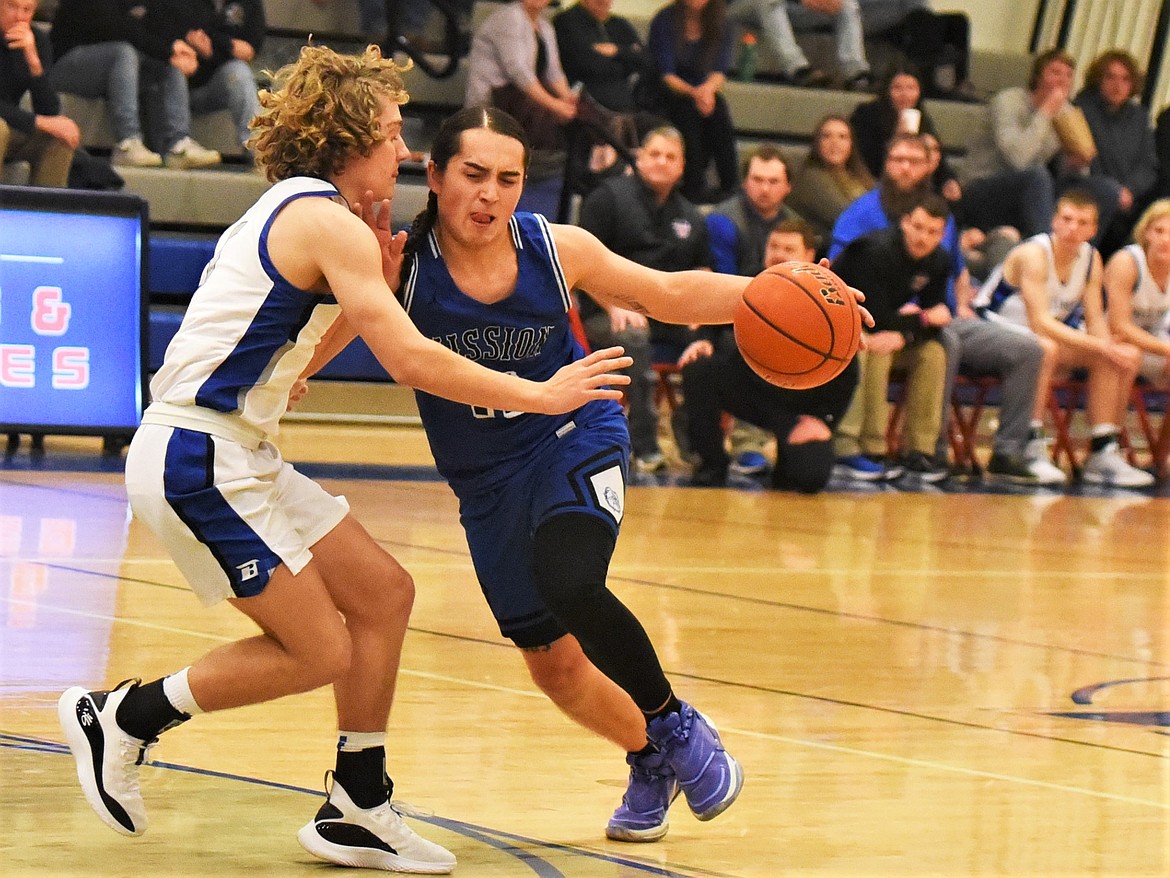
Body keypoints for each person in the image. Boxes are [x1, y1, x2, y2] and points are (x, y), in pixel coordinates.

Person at [56, 45, 634, 875]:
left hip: (237, 448)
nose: (402, 153)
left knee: (384, 595)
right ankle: (124, 716)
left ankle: (358, 803)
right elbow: (408, 356)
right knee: (318, 649)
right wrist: (540, 392)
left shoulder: (313, 214)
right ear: (352, 133)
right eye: (395, 133)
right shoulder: (324, 218)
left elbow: (305, 339)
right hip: (197, 454)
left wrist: (366, 291)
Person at [304, 106, 860, 844]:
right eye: (473, 175)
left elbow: (664, 293)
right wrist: (283, 380)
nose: (490, 194)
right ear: (434, 177)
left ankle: (677, 724)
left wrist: (779, 290)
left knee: (571, 579)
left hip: (574, 430)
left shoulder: (553, 246)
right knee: (554, 666)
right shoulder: (399, 267)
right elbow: (319, 344)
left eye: (509, 179)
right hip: (487, 483)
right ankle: (648, 757)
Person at [973, 189, 1155, 487]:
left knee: (1120, 356)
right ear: (1054, 221)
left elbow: (1095, 319)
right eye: (1067, 219)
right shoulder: (1033, 254)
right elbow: (1041, 323)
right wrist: (1102, 344)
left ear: (1094, 229)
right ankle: (1030, 444)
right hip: (995, 330)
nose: (1073, 228)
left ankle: (1103, 449)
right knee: (1044, 348)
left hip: (1043, 339)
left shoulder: (1091, 259)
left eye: (1083, 223)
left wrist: (1108, 348)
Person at [681, 218, 860, 489]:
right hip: (755, 393)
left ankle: (786, 467)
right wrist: (703, 340)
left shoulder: (828, 301)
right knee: (699, 368)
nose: (778, 255)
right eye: (773, 246)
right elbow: (712, 317)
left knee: (808, 477)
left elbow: (848, 368)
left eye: (788, 249)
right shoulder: (749, 281)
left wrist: (825, 421)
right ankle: (711, 463)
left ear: (809, 256)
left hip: (802, 405)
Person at [577, 125, 712, 473]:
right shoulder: (607, 198)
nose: (661, 162)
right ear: (639, 158)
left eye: (670, 157)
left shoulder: (691, 216)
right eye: (654, 154)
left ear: (682, 166)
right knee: (633, 337)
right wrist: (613, 304)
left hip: (668, 314)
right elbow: (579, 267)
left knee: (710, 341)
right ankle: (644, 443)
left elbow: (702, 269)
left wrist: (702, 318)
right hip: (607, 311)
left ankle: (696, 441)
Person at [830, 194, 953, 482]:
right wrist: (917, 321)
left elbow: (940, 318)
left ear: (943, 234)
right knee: (869, 345)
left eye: (933, 231)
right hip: (839, 325)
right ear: (904, 223)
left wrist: (906, 334)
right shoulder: (874, 251)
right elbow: (876, 317)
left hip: (881, 328)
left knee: (932, 353)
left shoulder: (939, 261)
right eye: (918, 227)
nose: (923, 237)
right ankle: (856, 448)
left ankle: (919, 449)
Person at [706, 144, 806, 470]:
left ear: (788, 186)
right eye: (757, 179)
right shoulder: (723, 220)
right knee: (755, 341)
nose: (764, 188)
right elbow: (722, 284)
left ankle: (811, 437)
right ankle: (747, 442)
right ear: (745, 182)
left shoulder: (797, 225)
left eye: (773, 181)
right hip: (726, 317)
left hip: (785, 317)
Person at [48, 0, 221, 168]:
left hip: (115, 67)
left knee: (169, 67)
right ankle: (128, 142)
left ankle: (178, 144)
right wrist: (168, 50)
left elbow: (154, 25)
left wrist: (179, 51)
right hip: (65, 65)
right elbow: (111, 27)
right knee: (124, 52)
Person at [146, 0, 265, 158]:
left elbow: (248, 51)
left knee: (238, 71)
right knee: (176, 65)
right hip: (172, 83)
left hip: (210, 87)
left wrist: (214, 47)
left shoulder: (248, 3)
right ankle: (179, 144)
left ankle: (257, 149)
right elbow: (180, 34)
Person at [647, 0, 739, 202]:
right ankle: (694, 185)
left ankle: (731, 185)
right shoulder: (665, 20)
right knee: (687, 111)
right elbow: (666, 74)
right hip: (666, 91)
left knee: (719, 109)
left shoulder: (722, 22)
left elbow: (719, 71)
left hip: (701, 90)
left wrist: (707, 91)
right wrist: (695, 93)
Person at [1073, 49, 1158, 257]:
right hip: (1090, 189)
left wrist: (1130, 189)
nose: (1117, 85)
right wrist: (1115, 190)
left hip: (1129, 196)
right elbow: (1086, 157)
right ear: (1098, 79)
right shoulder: (1082, 108)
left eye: (1125, 79)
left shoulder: (1139, 116)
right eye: (1110, 77)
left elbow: (1148, 164)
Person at [464, 0, 579, 151]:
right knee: (546, 117)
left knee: (580, 113)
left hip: (524, 100)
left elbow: (553, 71)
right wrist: (554, 105)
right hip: (496, 100)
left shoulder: (545, 27)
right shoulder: (509, 18)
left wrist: (567, 99)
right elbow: (518, 71)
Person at [850, 64, 959, 200]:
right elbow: (865, 161)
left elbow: (939, 158)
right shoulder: (867, 115)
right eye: (897, 88)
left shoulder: (921, 117)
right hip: (876, 184)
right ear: (887, 90)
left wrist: (948, 180)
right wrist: (897, 137)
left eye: (911, 88)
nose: (905, 95)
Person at [0, 0, 79, 187]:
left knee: (60, 136)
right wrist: (39, 122)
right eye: (12, 6)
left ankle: (48, 213)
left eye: (27, 10)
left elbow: (49, 110)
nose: (19, 16)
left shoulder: (37, 39)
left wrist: (34, 61)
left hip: (12, 126)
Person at [726, 0, 871, 89]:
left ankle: (855, 73)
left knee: (847, 4)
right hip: (741, 6)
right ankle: (797, 69)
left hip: (792, 6)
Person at [1104, 198, 1170, 389]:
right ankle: (1107, 420)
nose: (1165, 239)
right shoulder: (1127, 263)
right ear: (1146, 232)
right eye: (1159, 231)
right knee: (1125, 355)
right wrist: (1165, 349)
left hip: (1150, 344)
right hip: (1106, 339)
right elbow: (1119, 326)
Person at [857, 0, 975, 99]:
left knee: (959, 22)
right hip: (870, 19)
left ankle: (960, 83)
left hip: (908, 18)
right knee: (920, 19)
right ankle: (926, 84)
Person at [787, 113, 873, 248]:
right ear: (817, 143)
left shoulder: (860, 177)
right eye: (827, 136)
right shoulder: (811, 178)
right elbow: (845, 217)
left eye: (842, 137)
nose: (835, 143)